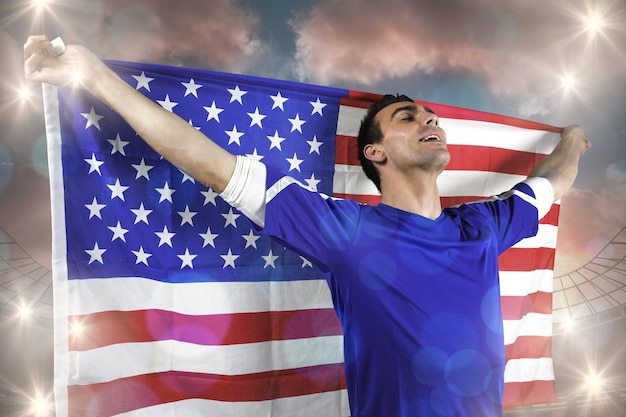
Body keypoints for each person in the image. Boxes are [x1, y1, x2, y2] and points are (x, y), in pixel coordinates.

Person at [24, 35, 591, 417]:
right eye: (408, 116)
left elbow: (552, 180)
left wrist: (571, 139)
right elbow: (208, 162)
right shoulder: (347, 231)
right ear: (375, 152)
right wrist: (94, 76)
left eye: (433, 116)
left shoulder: (483, 228)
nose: (430, 120)